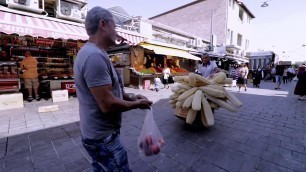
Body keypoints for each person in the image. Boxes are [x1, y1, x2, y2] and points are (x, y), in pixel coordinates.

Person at [74, 7, 153, 172]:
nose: (116, 31)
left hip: (97, 135)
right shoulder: (93, 57)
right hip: (102, 139)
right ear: (103, 24)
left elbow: (113, 93)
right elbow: (108, 104)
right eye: (114, 26)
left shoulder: (96, 53)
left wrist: (132, 97)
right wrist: (138, 105)